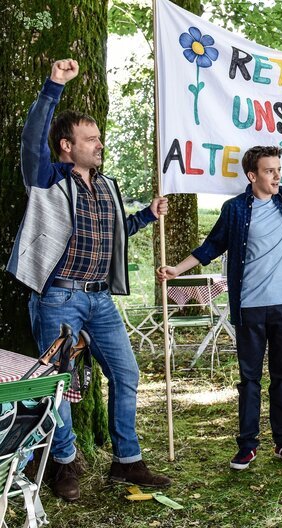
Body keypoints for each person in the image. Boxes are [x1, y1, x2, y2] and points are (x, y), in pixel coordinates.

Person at [6, 59, 171, 501]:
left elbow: (115, 231)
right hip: (58, 298)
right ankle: (63, 462)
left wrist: (146, 216)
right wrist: (53, 86)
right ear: (67, 145)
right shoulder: (47, 178)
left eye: (99, 138)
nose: (100, 144)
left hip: (100, 301)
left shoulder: (107, 184)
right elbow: (30, 142)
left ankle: (127, 460)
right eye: (91, 139)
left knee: (126, 373)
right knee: (57, 384)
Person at [158, 140, 282, 470]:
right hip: (249, 306)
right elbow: (210, 246)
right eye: (269, 171)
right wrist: (176, 270)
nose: (277, 176)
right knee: (250, 379)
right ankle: (247, 445)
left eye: (278, 170)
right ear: (252, 176)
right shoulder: (235, 209)